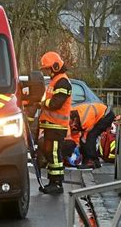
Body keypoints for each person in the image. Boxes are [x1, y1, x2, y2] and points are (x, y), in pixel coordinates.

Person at [38, 51, 72, 194]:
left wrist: (42, 102)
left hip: (57, 126)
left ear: (55, 67)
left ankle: (57, 184)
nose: (47, 71)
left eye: (48, 68)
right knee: (50, 153)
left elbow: (55, 104)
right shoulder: (56, 81)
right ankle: (52, 181)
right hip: (51, 125)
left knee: (55, 155)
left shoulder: (62, 82)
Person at [70, 102, 116, 169]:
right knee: (84, 139)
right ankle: (89, 161)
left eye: (71, 123)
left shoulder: (84, 118)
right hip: (101, 115)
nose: (71, 125)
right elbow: (75, 134)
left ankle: (91, 161)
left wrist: (80, 142)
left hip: (107, 115)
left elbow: (86, 134)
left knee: (91, 136)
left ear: (74, 120)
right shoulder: (73, 115)